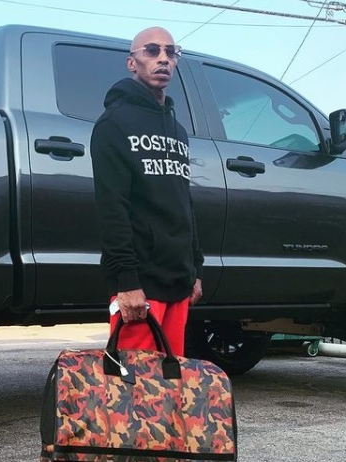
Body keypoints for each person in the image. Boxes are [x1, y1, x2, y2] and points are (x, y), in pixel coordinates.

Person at [90, 26, 203, 356]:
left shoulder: (178, 131)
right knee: (135, 383)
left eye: (171, 52)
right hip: (140, 286)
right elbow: (112, 208)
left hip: (178, 282)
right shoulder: (113, 124)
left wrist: (195, 270)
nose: (163, 58)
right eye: (152, 50)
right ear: (132, 62)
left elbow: (183, 203)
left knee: (170, 381)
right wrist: (126, 282)